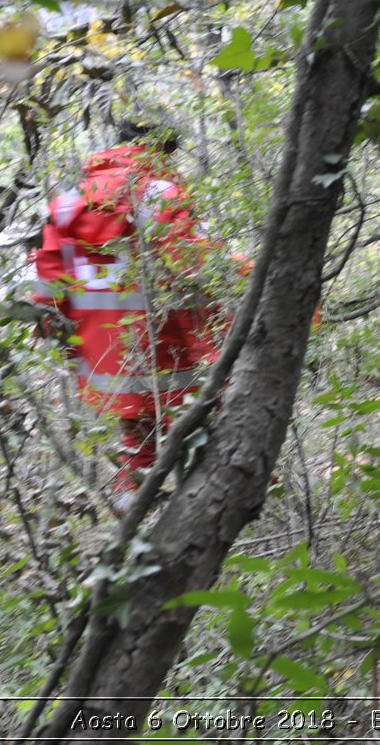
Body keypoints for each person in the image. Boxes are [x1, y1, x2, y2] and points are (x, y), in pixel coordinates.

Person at [30, 118, 226, 512]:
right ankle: (198, 516)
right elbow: (198, 266)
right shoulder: (161, 194)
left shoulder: (68, 203)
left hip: (108, 359)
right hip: (173, 352)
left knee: (137, 443)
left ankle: (130, 515)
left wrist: (66, 345)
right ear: (161, 150)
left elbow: (49, 286)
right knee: (201, 442)